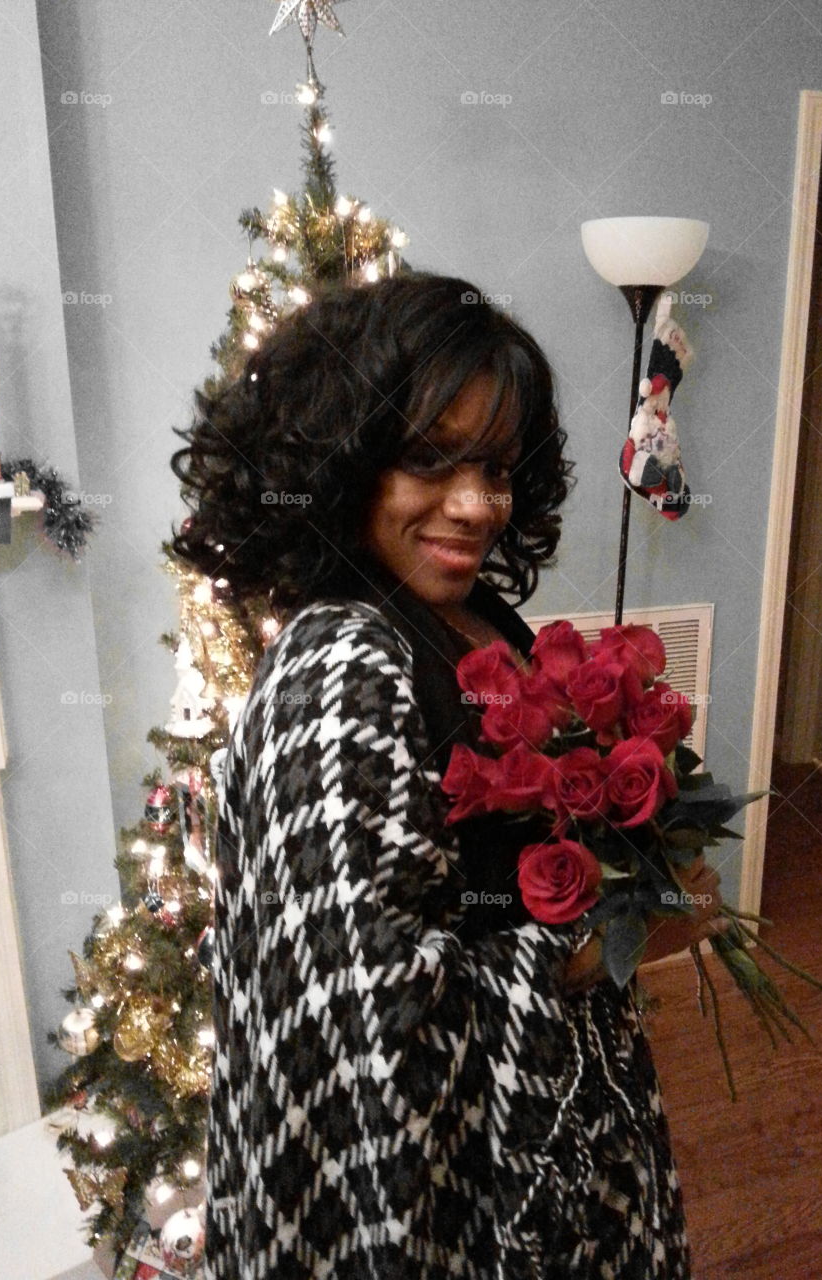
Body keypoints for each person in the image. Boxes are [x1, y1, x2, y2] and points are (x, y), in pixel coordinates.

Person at [170, 271, 725, 1279]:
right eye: (431, 460)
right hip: (462, 1223)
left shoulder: (465, 616)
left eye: (498, 469)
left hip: (558, 1154)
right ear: (345, 464)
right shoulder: (341, 669)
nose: (476, 506)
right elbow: (367, 1039)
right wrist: (605, 937)